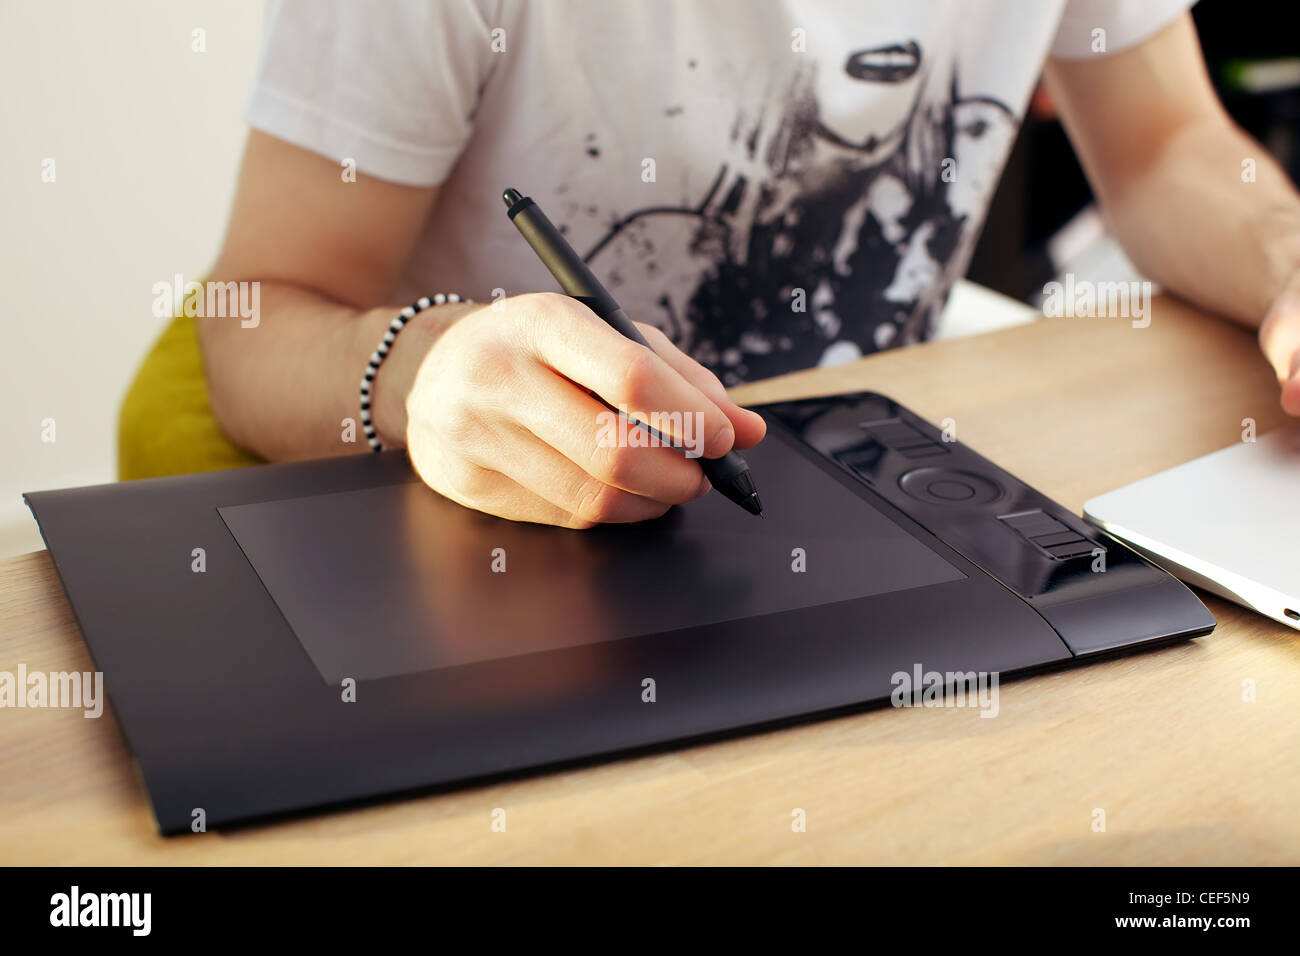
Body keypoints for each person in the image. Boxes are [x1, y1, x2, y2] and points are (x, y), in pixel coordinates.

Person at [169, 0, 1300, 528]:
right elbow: (255, 318)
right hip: (505, 545)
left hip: (867, 508)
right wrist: (429, 375)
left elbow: (1164, 150)